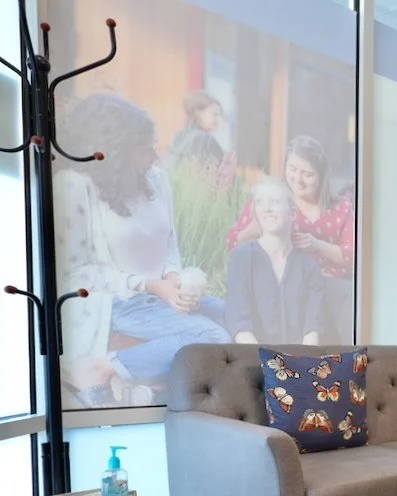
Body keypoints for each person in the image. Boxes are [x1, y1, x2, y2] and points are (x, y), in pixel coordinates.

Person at [54, 93, 230, 408]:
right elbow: (77, 273)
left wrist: (174, 279)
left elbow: (170, 243)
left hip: (159, 297)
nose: (155, 155)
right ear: (118, 151)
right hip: (121, 304)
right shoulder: (76, 187)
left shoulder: (156, 181)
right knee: (213, 336)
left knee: (234, 315)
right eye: (145, 149)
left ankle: (153, 390)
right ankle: (103, 369)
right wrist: (149, 285)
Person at [225, 135, 353, 343]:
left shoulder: (340, 207)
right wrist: (254, 227)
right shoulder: (272, 199)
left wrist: (316, 244)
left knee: (345, 296)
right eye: (292, 169)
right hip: (285, 282)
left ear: (321, 175)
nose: (298, 179)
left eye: (307, 174)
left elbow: (352, 255)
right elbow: (232, 242)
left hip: (327, 285)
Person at [223, 178, 323, 346]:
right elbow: (239, 325)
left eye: (274, 202)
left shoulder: (309, 267)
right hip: (253, 361)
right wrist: (267, 366)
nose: (267, 209)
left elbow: (312, 328)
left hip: (300, 364)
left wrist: (302, 367)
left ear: (292, 213)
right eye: (260, 202)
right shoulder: (241, 258)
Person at [166, 90, 224, 169]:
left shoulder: (178, 136)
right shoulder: (205, 139)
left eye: (220, 115)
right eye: (215, 114)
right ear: (198, 112)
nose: (219, 120)